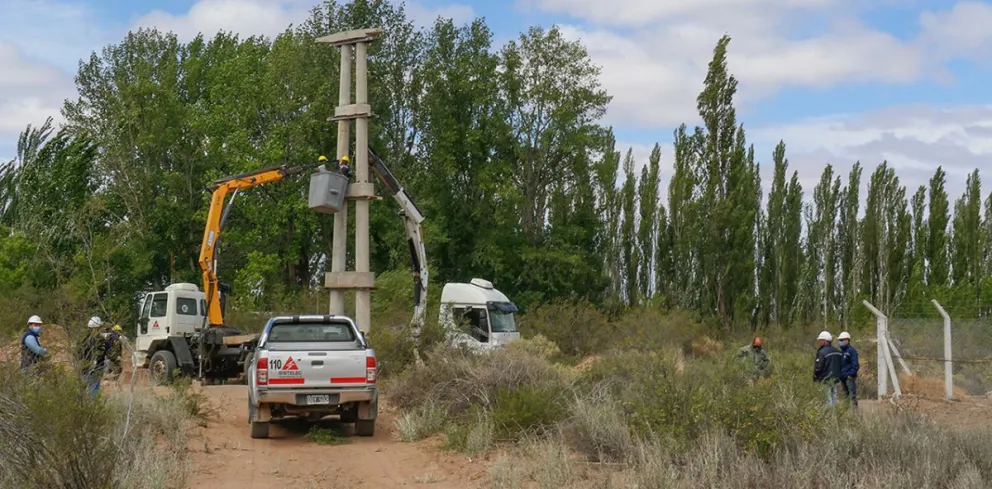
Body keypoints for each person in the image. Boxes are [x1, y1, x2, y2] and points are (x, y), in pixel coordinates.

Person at [77, 316, 108, 398]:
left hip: (84, 367)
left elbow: (77, 352)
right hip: (95, 368)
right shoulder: (99, 339)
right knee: (94, 389)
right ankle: (92, 404)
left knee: (81, 389)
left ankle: (77, 403)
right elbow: (101, 354)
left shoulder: (83, 338)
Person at [813, 330, 843, 408]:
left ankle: (829, 414)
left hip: (825, 379)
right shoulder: (838, 352)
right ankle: (835, 413)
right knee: (834, 397)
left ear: (825, 341)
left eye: (820, 340)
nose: (819, 342)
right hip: (835, 379)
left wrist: (815, 377)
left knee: (827, 398)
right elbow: (841, 365)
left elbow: (818, 367)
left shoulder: (822, 352)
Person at [838, 331, 859, 409]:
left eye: (841, 340)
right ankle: (846, 412)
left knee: (852, 396)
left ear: (847, 340)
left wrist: (851, 374)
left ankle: (855, 412)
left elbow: (855, 364)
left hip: (849, 377)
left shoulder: (852, 351)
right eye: (840, 340)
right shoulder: (842, 352)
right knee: (845, 396)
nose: (840, 342)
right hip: (843, 377)